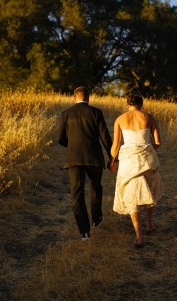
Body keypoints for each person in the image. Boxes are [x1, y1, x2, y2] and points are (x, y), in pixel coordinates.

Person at [57, 86, 113, 240]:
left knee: (77, 193)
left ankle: (84, 232)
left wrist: (73, 145)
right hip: (94, 157)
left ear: (74, 97)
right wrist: (112, 157)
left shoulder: (66, 114)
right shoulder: (96, 113)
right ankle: (96, 218)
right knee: (96, 185)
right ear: (88, 98)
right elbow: (105, 138)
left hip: (74, 158)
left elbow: (59, 138)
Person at [109, 93, 164, 248]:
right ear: (141, 104)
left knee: (132, 196)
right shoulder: (149, 118)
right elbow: (158, 142)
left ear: (128, 104)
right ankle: (149, 225)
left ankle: (138, 236)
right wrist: (147, 149)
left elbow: (116, 145)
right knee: (149, 189)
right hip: (147, 159)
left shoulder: (120, 119)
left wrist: (112, 161)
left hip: (128, 162)